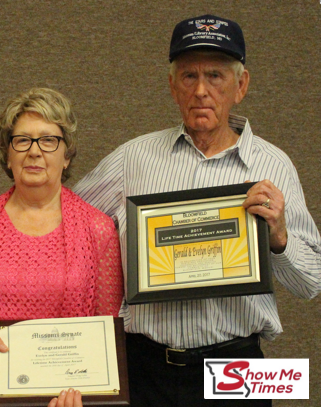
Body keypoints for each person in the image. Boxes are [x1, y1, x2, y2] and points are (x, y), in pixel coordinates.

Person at [73, 14, 321, 407]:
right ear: (172, 86)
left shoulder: (274, 165)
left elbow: (312, 284)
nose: (201, 90)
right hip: (144, 366)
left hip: (239, 370)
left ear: (241, 85)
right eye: (189, 76)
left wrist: (279, 238)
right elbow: (64, 223)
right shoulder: (132, 159)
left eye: (216, 76)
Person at [0, 88, 123, 407]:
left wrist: (86, 396)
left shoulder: (97, 230)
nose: (34, 151)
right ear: (8, 153)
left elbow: (106, 333)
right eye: (22, 140)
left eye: (48, 140)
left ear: (66, 154)